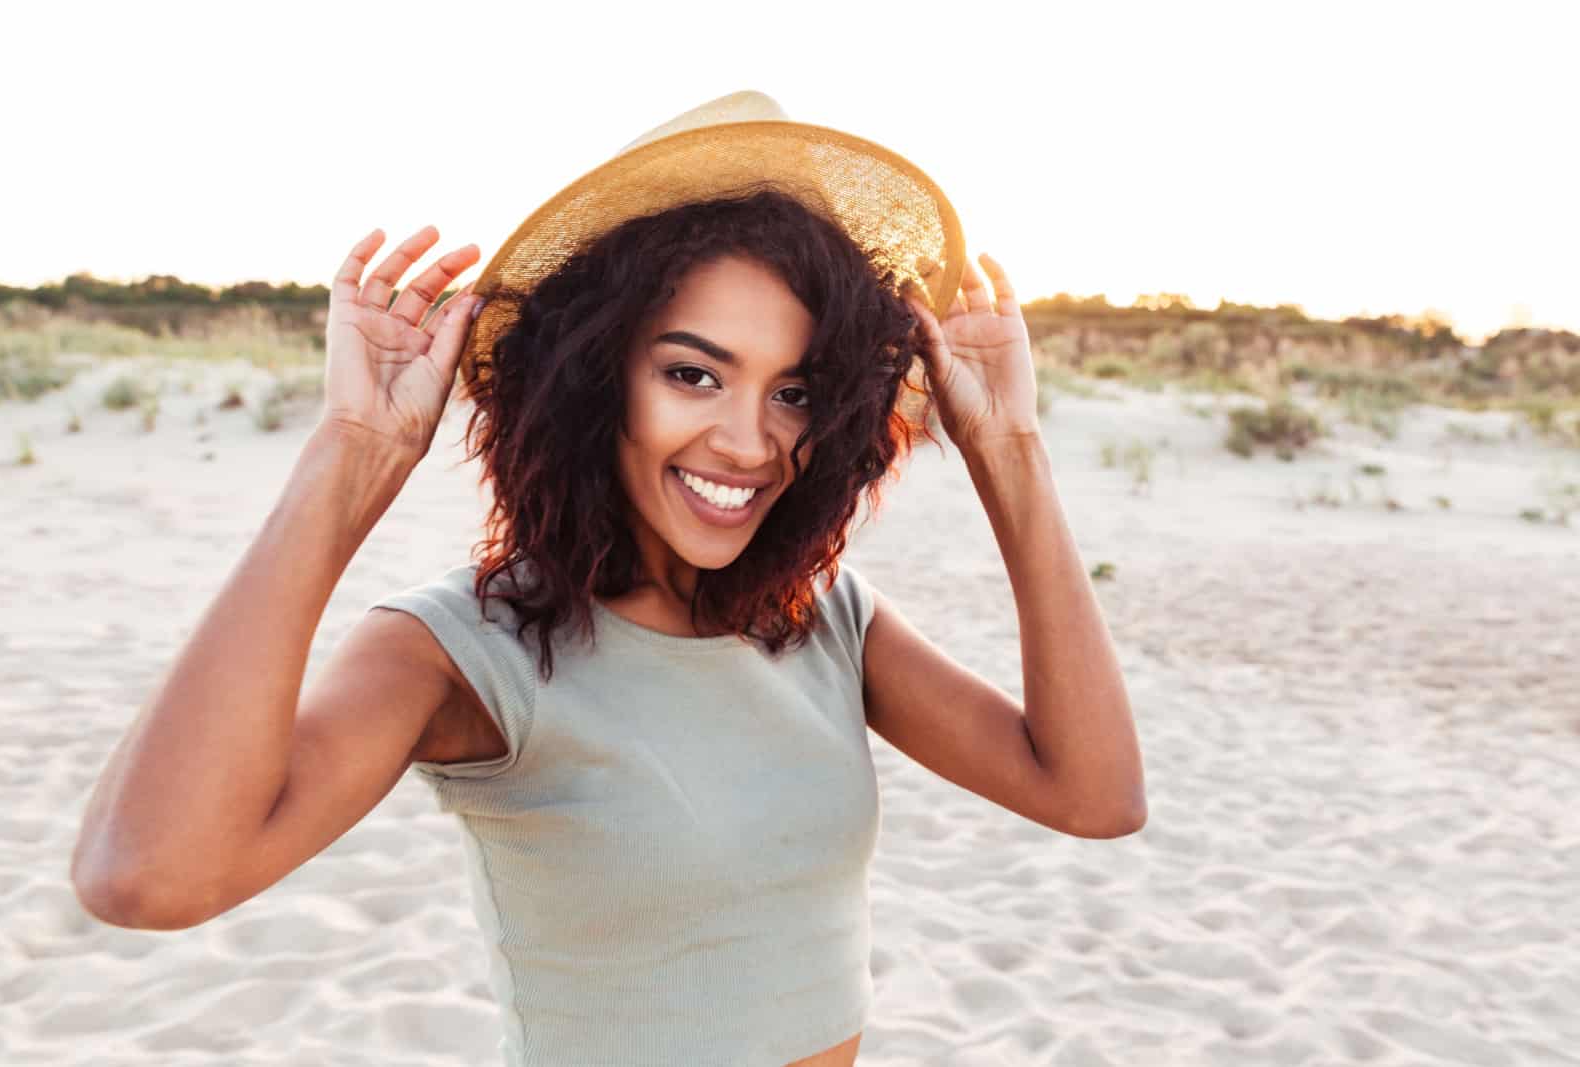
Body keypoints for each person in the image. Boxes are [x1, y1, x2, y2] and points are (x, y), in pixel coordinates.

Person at [70, 91, 1145, 1066]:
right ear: (596, 377)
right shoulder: (457, 650)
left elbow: (1092, 794)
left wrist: (1011, 454)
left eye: (794, 391)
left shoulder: (821, 621)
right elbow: (147, 876)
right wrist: (350, 455)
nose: (748, 440)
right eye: (692, 373)